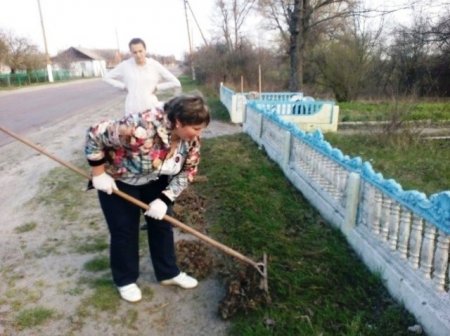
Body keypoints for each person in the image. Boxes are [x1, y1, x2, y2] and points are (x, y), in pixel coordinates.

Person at [85, 93, 210, 303]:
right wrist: (98, 173)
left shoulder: (190, 140)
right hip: (120, 180)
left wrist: (165, 199)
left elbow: (188, 170)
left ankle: (168, 273)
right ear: (178, 122)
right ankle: (125, 280)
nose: (199, 134)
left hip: (155, 178)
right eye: (196, 128)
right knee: (124, 230)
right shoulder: (139, 129)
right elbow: (95, 133)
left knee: (161, 225)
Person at [104, 37, 181, 115]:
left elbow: (175, 82)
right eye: (135, 52)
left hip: (150, 108)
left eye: (140, 51)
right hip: (132, 108)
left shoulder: (154, 65)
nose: (138, 55)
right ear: (131, 52)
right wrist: (123, 86)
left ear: (145, 50)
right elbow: (107, 77)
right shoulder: (125, 66)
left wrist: (157, 87)